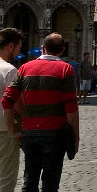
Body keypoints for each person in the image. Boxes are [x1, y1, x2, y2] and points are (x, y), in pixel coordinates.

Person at [1, 33, 79, 192]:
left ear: (43, 48)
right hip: (54, 134)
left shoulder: (25, 68)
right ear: (62, 50)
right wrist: (75, 138)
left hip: (30, 134)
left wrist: (12, 130)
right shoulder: (65, 69)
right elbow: (71, 109)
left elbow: (6, 101)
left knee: (29, 180)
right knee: (50, 183)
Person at [0, 28, 24, 190]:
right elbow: (17, 105)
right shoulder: (10, 71)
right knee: (6, 178)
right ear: (10, 46)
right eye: (18, 48)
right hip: (4, 130)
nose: (18, 52)